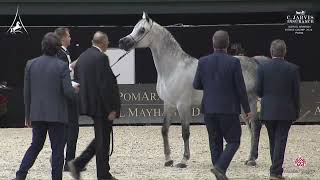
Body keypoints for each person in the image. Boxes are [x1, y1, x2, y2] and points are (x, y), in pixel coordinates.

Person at [14, 32, 79, 180]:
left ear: (43, 46)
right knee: (57, 150)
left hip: (37, 114)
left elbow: (27, 92)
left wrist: (28, 114)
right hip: (57, 115)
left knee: (35, 146)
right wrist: (75, 91)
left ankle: (21, 175)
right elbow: (68, 92)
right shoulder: (62, 66)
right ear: (57, 48)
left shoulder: (30, 64)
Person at [193, 30, 251, 180]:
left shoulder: (203, 61)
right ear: (228, 44)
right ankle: (220, 167)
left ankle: (219, 173)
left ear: (213, 43)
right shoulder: (234, 62)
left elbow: (196, 84)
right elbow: (241, 88)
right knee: (234, 140)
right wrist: (247, 109)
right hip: (228, 109)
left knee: (214, 141)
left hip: (209, 109)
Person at [68, 31, 121, 180]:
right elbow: (104, 85)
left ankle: (79, 164)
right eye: (107, 41)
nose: (108, 44)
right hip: (101, 106)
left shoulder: (83, 56)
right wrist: (111, 108)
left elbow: (79, 77)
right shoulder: (101, 58)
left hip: (88, 103)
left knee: (101, 137)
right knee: (103, 140)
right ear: (102, 42)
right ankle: (102, 174)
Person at [257, 39, 300, 180]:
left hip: (268, 110)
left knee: (273, 140)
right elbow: (296, 94)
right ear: (285, 51)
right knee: (280, 141)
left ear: (271, 51)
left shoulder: (262, 68)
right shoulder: (293, 69)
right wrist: (296, 112)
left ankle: (275, 169)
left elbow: (258, 91)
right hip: (286, 111)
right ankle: (275, 172)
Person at [54, 27, 84, 172]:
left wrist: (75, 63)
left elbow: (67, 69)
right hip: (68, 95)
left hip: (67, 93)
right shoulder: (60, 53)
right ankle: (69, 162)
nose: (70, 38)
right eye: (68, 36)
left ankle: (67, 160)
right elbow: (62, 75)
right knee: (72, 128)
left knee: (70, 128)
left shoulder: (63, 53)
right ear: (62, 38)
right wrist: (73, 85)